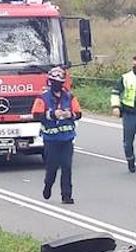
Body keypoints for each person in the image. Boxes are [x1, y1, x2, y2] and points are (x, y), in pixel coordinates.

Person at [32, 67, 82, 204]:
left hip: (67, 138)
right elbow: (36, 115)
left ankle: (66, 195)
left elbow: (78, 113)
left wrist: (69, 114)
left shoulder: (70, 97)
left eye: (59, 82)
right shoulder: (43, 98)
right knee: (52, 168)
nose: (57, 85)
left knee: (66, 167)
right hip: (51, 140)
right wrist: (52, 115)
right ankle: (48, 185)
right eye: (54, 81)